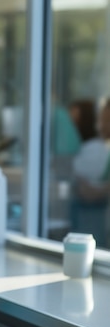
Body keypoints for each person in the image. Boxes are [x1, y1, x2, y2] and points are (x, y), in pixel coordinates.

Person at [70, 99, 110, 246]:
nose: (102, 125)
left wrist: (98, 192)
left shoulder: (99, 149)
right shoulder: (101, 149)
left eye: (107, 120)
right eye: (102, 119)